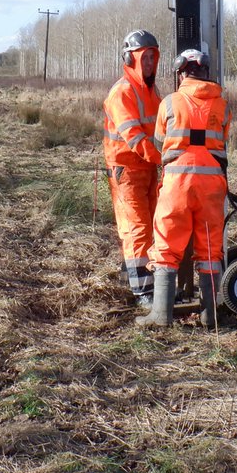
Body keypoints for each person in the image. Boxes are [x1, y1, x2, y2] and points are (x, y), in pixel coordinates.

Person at [138, 48, 231, 329]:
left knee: (167, 246)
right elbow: (223, 142)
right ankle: (210, 316)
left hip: (177, 183)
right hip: (212, 185)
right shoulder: (222, 106)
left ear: (181, 73)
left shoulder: (169, 103)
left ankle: (161, 315)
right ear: (205, 72)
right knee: (211, 249)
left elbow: (158, 143)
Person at [103, 30, 163, 305]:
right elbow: (135, 137)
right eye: (145, 58)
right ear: (130, 59)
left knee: (150, 224)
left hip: (148, 168)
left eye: (153, 57)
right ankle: (143, 292)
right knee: (137, 227)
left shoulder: (150, 91)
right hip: (127, 170)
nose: (150, 63)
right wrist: (163, 158)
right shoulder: (122, 92)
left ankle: (136, 275)